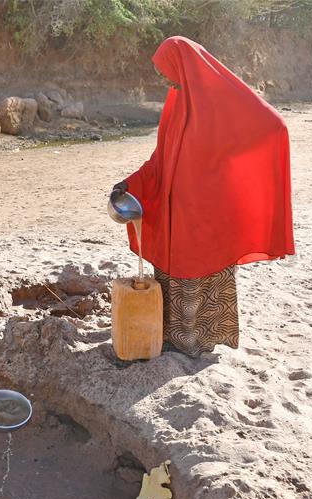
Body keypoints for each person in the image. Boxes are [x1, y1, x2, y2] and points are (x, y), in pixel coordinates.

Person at [111, 36, 294, 357]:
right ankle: (175, 337)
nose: (163, 78)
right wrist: (130, 183)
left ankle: (204, 340)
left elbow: (272, 125)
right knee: (175, 271)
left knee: (204, 272)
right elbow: (161, 159)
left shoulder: (222, 99)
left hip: (210, 210)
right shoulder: (178, 101)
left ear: (183, 66)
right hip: (176, 208)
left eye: (166, 70)